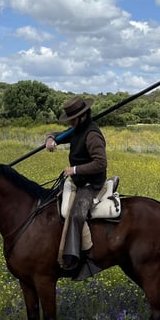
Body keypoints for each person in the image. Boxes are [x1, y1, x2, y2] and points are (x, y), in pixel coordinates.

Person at [45, 95, 107, 271]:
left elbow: (101, 163)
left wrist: (75, 170)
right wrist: (51, 138)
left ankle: (81, 259)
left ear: (83, 116)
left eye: (72, 119)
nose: (70, 122)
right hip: (77, 181)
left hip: (92, 184)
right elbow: (61, 135)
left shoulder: (93, 135)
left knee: (76, 214)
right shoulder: (77, 129)